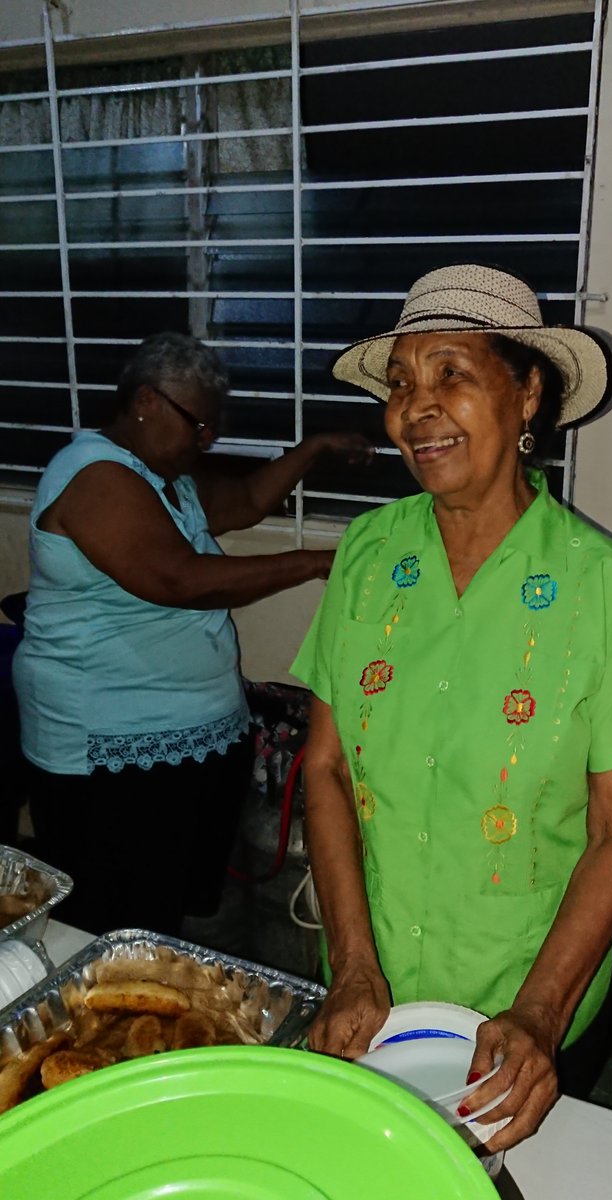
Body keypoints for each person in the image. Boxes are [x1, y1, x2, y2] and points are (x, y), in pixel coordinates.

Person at [290, 263, 612, 1151]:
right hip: (369, 992)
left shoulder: (604, 588)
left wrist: (541, 1016)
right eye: (400, 384)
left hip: (524, 1011)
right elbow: (323, 766)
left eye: (451, 374)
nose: (416, 407)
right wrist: (355, 966)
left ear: (527, 396)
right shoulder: (367, 554)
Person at [13, 331, 371, 938]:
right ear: (147, 400)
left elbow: (247, 499)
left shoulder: (163, 475)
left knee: (167, 911)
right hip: (111, 746)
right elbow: (179, 580)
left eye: (212, 428)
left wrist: (312, 450)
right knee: (113, 924)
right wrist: (313, 563)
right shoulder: (95, 476)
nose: (207, 440)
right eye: (197, 424)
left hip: (190, 736)